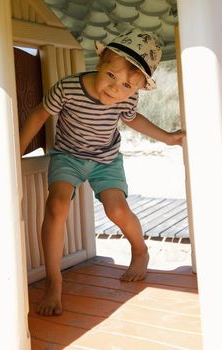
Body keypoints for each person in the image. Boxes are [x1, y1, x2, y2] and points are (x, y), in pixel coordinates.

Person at [20, 29, 185, 316]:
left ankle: (139, 250)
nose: (115, 89)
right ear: (100, 63)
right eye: (111, 76)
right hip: (68, 156)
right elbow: (38, 114)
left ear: (134, 91)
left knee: (117, 210)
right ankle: (53, 280)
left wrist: (168, 138)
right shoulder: (68, 88)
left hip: (106, 159)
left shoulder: (126, 100)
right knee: (56, 205)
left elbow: (134, 121)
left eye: (126, 86)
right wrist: (13, 153)